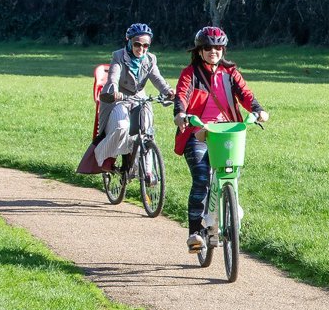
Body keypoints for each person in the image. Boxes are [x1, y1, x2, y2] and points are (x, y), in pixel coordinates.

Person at [172, 26, 268, 252]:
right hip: (197, 131)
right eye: (207, 47)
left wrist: (258, 110)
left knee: (230, 175)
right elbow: (182, 96)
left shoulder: (230, 72)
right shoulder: (191, 73)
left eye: (217, 47)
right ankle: (195, 233)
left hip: (227, 131)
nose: (213, 51)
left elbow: (246, 95)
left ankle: (225, 214)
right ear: (199, 50)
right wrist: (180, 114)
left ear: (223, 49)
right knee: (202, 179)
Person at [94, 23, 174, 168]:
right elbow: (113, 76)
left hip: (139, 98)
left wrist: (168, 91)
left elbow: (157, 78)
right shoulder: (118, 56)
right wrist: (114, 91)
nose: (141, 49)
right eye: (137, 44)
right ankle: (104, 156)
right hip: (118, 99)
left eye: (145, 45)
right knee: (121, 126)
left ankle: (146, 171)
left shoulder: (150, 59)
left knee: (146, 132)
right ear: (129, 41)